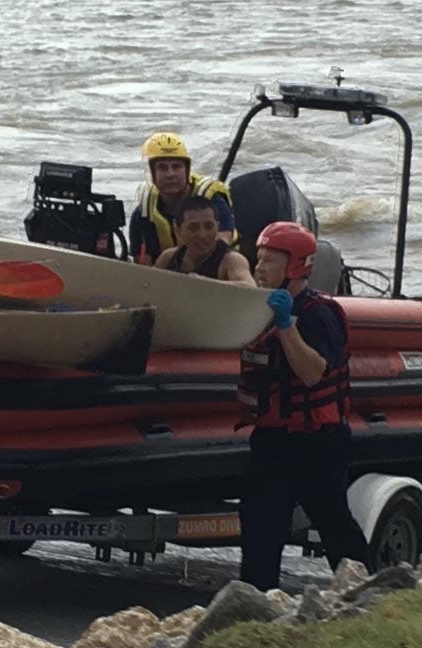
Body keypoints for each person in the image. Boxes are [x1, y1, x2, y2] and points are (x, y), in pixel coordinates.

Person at [235, 221, 369, 590]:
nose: (259, 268)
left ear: (295, 266)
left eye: (269, 261)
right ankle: (255, 603)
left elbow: (313, 373)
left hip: (318, 439)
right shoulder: (257, 309)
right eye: (257, 259)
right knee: (260, 522)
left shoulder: (318, 315)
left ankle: (367, 590)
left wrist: (285, 324)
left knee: (332, 520)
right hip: (273, 438)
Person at [128, 132, 236, 265]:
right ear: (151, 172)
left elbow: (222, 244)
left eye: (176, 166)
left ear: (187, 169)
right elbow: (143, 266)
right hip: (168, 274)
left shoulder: (211, 199)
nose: (170, 174)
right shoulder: (144, 213)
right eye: (162, 168)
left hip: (218, 269)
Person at [153, 196, 254, 286]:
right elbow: (147, 285)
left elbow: (250, 287)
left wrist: (205, 284)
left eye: (209, 227)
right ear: (178, 231)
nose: (202, 235)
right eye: (193, 228)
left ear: (218, 226)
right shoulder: (168, 258)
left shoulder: (231, 260)